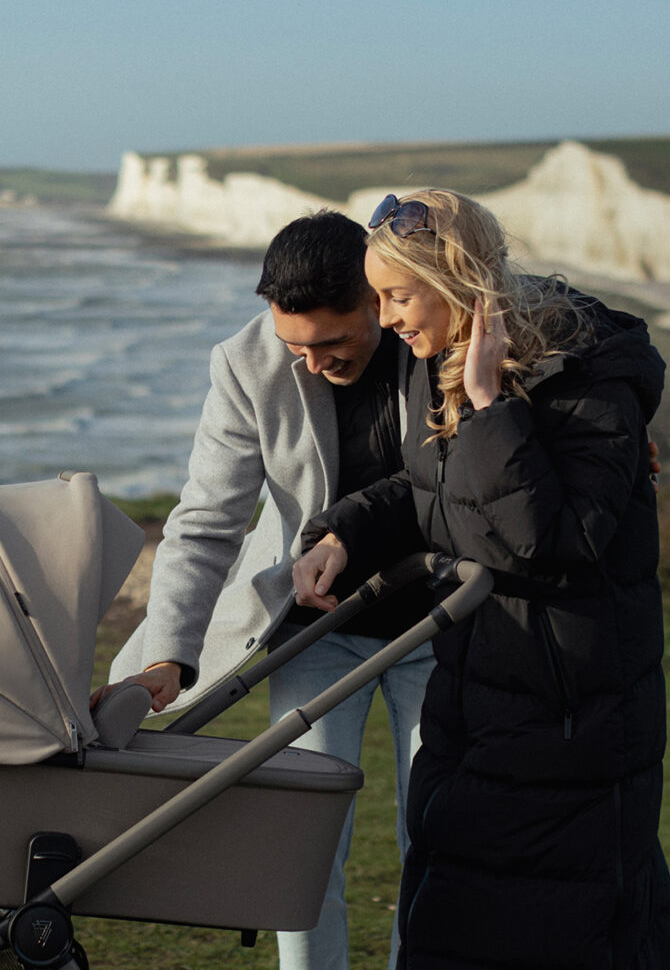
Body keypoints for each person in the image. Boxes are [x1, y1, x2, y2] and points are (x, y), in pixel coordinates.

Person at [293, 189, 670, 969]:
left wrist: (486, 408)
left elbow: (551, 541)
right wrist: (344, 533)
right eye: (377, 297)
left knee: (567, 925)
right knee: (459, 907)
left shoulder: (583, 377)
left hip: (570, 715)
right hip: (477, 695)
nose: (386, 317)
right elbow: (430, 492)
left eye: (397, 296)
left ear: (457, 283)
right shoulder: (435, 363)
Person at [104, 210, 436, 970]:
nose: (313, 364)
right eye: (296, 347)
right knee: (304, 843)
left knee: (438, 837)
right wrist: (168, 653)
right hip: (312, 631)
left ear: (378, 301)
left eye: (332, 343)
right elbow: (206, 522)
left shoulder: (432, 336)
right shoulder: (244, 363)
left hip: (439, 626)